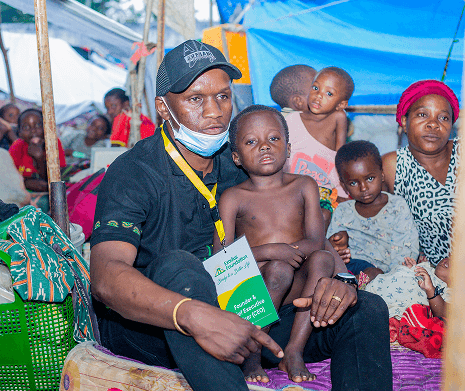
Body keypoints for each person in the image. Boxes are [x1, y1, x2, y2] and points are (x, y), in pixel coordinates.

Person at [90, 40, 392, 391]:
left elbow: (302, 232)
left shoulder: (239, 160)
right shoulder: (136, 172)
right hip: (163, 325)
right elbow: (106, 277)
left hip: (249, 313)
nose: (215, 111)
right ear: (163, 107)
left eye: (222, 96)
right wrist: (192, 314)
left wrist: (340, 279)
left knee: (365, 308)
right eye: (195, 99)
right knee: (181, 266)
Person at [215, 104, 335, 383]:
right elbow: (221, 255)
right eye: (251, 142)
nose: (265, 147)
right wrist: (270, 251)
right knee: (278, 268)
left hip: (298, 287)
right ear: (236, 157)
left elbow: (316, 241)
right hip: (251, 291)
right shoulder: (233, 197)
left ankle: (294, 350)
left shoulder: (304, 185)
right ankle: (252, 352)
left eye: (273, 138)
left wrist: (287, 253)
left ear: (289, 148)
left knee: (323, 259)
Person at [381, 80, 465, 289]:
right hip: (444, 285)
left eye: (443, 117)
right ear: (404, 121)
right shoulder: (391, 165)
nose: (433, 124)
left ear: (451, 126)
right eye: (423, 114)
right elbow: (371, 215)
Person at [327, 140, 419, 280]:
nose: (363, 188)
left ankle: (354, 287)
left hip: (391, 274)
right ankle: (351, 286)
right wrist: (336, 245)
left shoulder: (397, 206)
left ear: (382, 175)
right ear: (344, 186)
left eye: (370, 178)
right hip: (353, 269)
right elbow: (333, 251)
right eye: (353, 183)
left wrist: (389, 276)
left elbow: (408, 249)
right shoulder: (343, 211)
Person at [269, 65, 336, 223]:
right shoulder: (306, 122)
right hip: (314, 200)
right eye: (315, 88)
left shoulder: (275, 122)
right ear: (298, 101)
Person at [286, 66, 355, 211]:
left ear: (341, 104)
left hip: (326, 188)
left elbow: (340, 155)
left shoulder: (338, 117)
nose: (319, 96)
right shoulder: (292, 120)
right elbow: (283, 157)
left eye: (329, 93)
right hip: (294, 188)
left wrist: (342, 191)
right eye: (315, 88)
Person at [365, 256, 465, 319]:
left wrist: (431, 289)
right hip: (373, 286)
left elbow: (442, 312)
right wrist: (412, 269)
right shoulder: (429, 269)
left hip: (382, 306)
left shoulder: (451, 294)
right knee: (373, 271)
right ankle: (349, 284)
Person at [8, 108, 66, 193]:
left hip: (48, 187)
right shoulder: (17, 146)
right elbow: (11, 176)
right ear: (19, 132)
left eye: (38, 125)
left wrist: (39, 159)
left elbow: (55, 180)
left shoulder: (53, 143)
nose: (33, 131)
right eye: (26, 127)